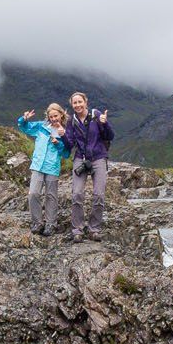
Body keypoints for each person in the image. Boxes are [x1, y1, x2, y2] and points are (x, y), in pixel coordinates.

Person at [61, 91, 113, 239]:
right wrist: (63, 134)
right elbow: (70, 144)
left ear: (85, 102)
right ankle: (77, 229)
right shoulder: (71, 122)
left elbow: (110, 136)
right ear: (72, 105)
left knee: (99, 195)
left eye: (80, 102)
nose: (77, 105)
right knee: (77, 193)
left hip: (98, 158)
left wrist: (105, 123)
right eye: (74, 103)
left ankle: (94, 229)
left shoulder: (96, 115)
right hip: (80, 159)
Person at [16, 103, 69, 235]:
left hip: (52, 167)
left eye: (55, 115)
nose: (53, 118)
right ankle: (37, 222)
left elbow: (66, 153)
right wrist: (24, 119)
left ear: (61, 115)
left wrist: (58, 143)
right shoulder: (41, 126)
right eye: (51, 116)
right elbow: (24, 128)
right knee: (33, 193)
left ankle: (51, 224)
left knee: (51, 196)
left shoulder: (65, 132)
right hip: (38, 165)